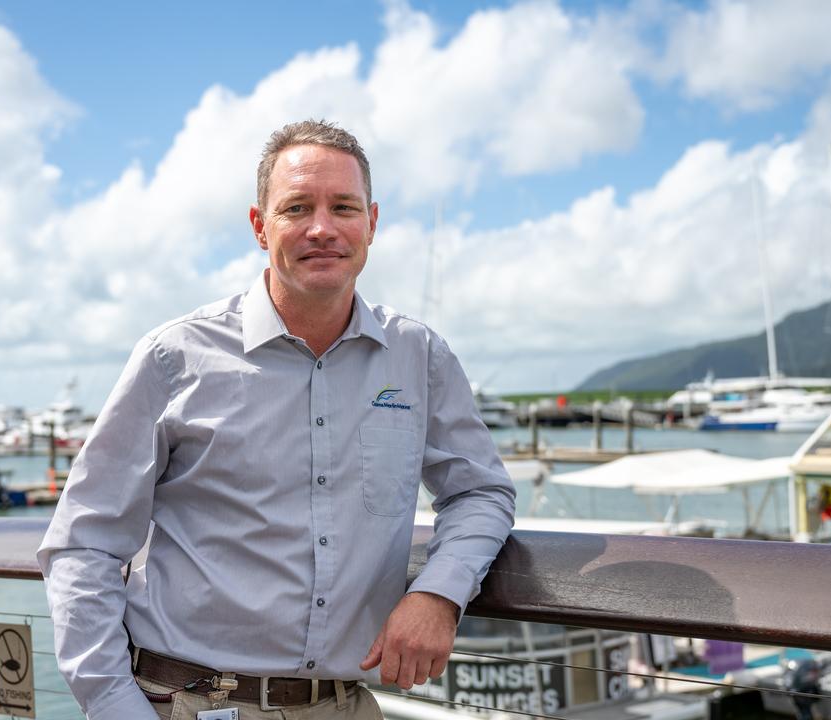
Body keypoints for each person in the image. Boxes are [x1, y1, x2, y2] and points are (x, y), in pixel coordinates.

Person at [38, 119, 517, 720]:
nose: (323, 228)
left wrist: (439, 593)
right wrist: (112, 704)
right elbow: (85, 540)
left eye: (343, 206)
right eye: (297, 208)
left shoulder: (419, 356)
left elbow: (480, 492)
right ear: (260, 226)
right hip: (187, 704)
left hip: (344, 707)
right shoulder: (174, 356)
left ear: (372, 223)